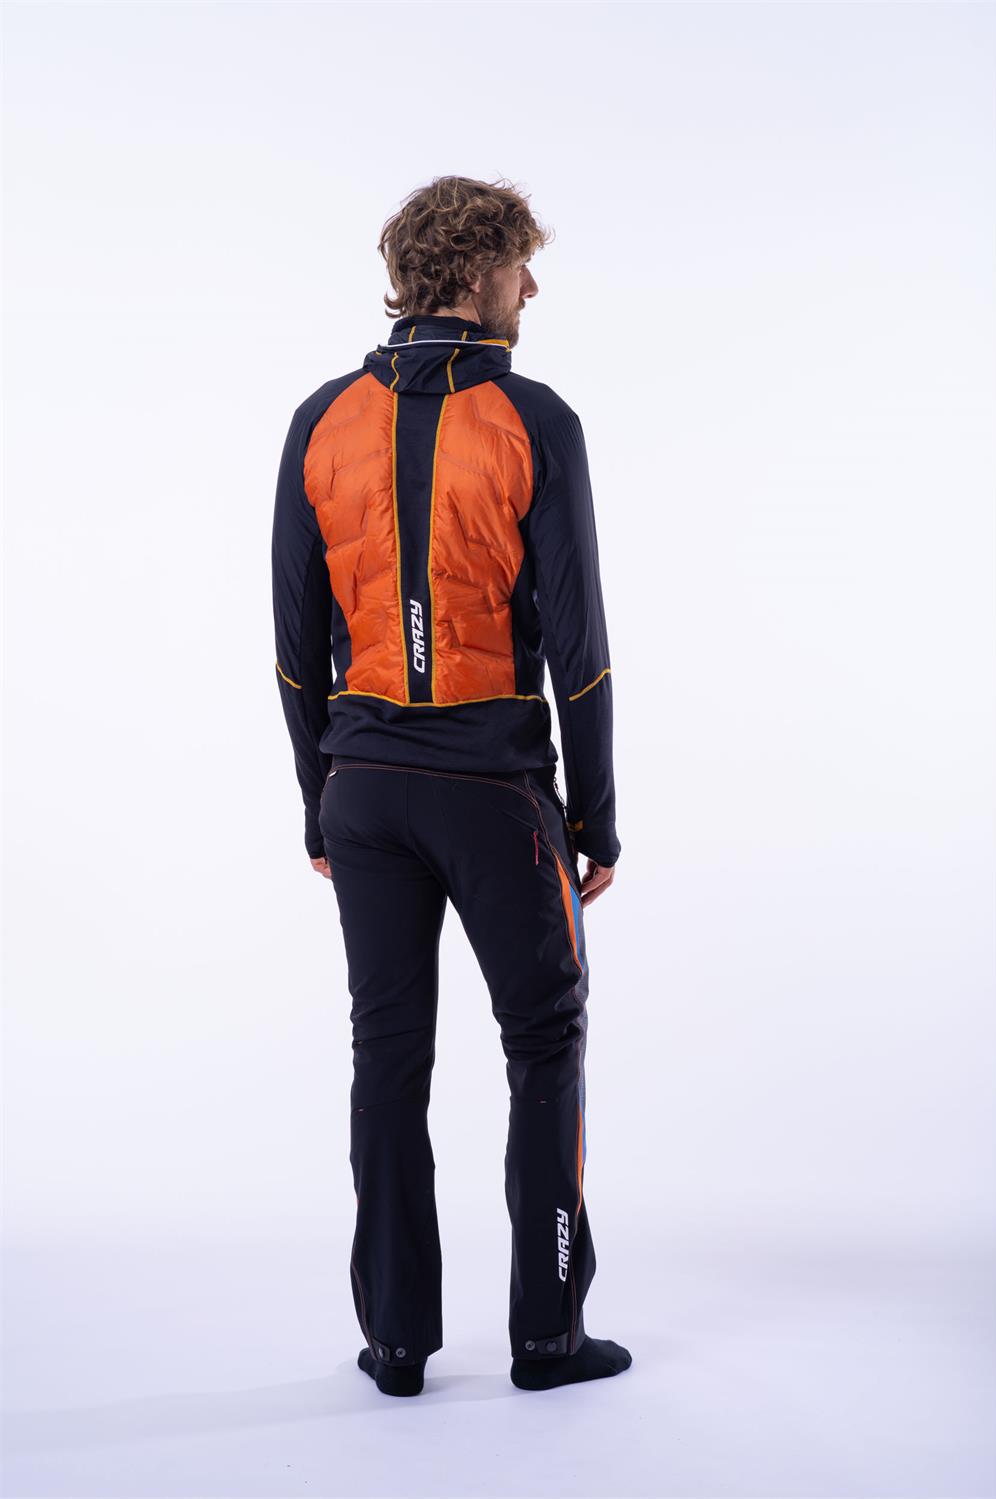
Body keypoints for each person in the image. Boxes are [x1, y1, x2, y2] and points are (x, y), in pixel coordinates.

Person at [271, 175, 630, 1396]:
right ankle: (548, 1334)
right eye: (522, 263)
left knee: (387, 1052)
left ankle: (394, 1342)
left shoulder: (319, 419)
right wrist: (595, 816)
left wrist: (315, 799)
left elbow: (293, 644)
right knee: (545, 1038)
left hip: (362, 788)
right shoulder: (536, 418)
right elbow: (579, 648)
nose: (533, 285)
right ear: (478, 274)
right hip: (491, 788)